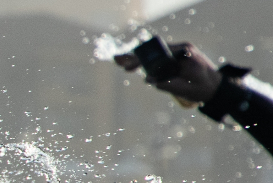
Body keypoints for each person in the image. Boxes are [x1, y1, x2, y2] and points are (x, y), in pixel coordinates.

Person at [115, 40, 273, 156]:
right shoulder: (205, 90)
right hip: (236, 101)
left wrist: (221, 90)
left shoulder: (212, 78)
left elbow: (186, 48)